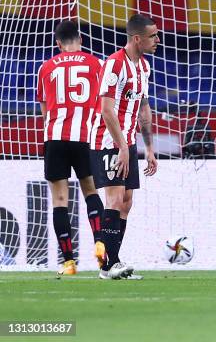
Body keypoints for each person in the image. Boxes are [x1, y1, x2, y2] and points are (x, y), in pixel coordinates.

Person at [89, 14, 159, 280]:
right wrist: (121, 146)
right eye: (153, 36)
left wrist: (149, 148)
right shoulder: (114, 65)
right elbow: (107, 110)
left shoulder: (144, 68)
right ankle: (109, 264)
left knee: (126, 203)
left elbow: (143, 107)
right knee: (115, 199)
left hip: (127, 143)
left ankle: (113, 263)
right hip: (108, 141)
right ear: (137, 38)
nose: (157, 40)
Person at [36, 20, 105, 275]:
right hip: (86, 136)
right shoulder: (95, 64)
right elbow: (104, 100)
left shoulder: (46, 67)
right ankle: (100, 242)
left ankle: (68, 262)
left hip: (55, 136)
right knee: (90, 190)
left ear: (58, 43)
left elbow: (44, 110)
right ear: (81, 40)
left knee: (60, 200)